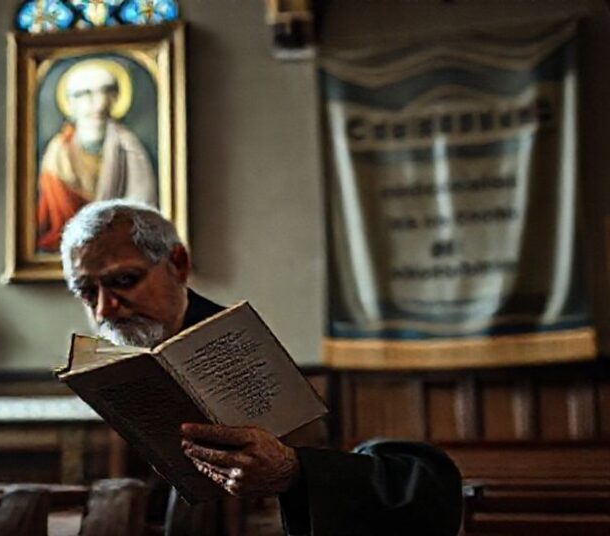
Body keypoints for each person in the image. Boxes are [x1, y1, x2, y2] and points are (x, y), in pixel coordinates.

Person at [59, 200, 464, 536]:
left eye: (124, 281)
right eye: (87, 291)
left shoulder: (246, 350)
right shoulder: (111, 368)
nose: (103, 308)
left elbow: (395, 480)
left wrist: (293, 471)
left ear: (178, 265)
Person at [36, 59, 157, 252]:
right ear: (71, 103)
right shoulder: (57, 153)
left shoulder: (129, 149)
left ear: (115, 98)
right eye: (85, 94)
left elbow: (142, 209)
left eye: (106, 91)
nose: (98, 103)